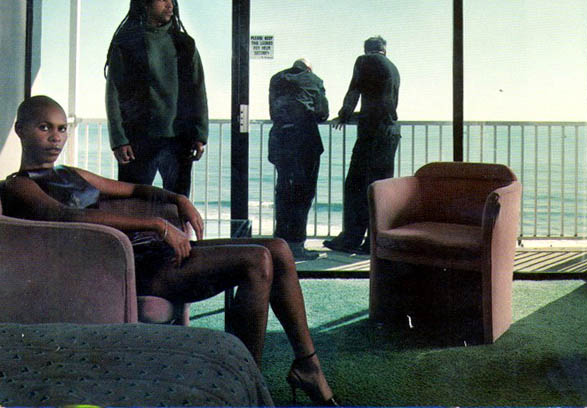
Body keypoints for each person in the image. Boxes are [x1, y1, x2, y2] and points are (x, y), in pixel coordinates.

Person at [2, 95, 337, 406]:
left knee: (278, 248)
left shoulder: (70, 174)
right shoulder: (18, 185)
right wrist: (157, 225)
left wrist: (177, 198)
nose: (55, 138)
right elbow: (68, 216)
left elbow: (133, 189)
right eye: (44, 127)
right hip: (127, 268)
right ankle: (243, 385)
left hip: (153, 254)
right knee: (256, 260)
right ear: (20, 130)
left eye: (61, 129)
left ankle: (308, 365)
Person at [105, 0, 207, 197]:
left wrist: (200, 134)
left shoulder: (185, 44)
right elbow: (113, 93)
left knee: (178, 205)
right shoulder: (126, 44)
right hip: (138, 140)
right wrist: (118, 140)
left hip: (179, 139)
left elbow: (198, 90)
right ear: (146, 4)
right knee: (134, 206)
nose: (170, 5)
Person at [324, 36, 400, 255]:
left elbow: (354, 90)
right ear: (384, 50)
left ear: (367, 50)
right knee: (378, 190)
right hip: (390, 133)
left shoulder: (364, 61)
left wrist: (344, 115)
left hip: (372, 134)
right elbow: (383, 102)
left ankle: (350, 240)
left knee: (355, 186)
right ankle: (373, 243)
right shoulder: (393, 68)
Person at [268, 59, 329, 261]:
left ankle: (280, 241)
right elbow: (323, 113)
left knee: (283, 190)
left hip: (279, 139)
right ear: (309, 68)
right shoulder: (314, 80)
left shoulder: (276, 79)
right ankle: (296, 244)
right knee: (303, 193)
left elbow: (273, 111)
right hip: (305, 141)